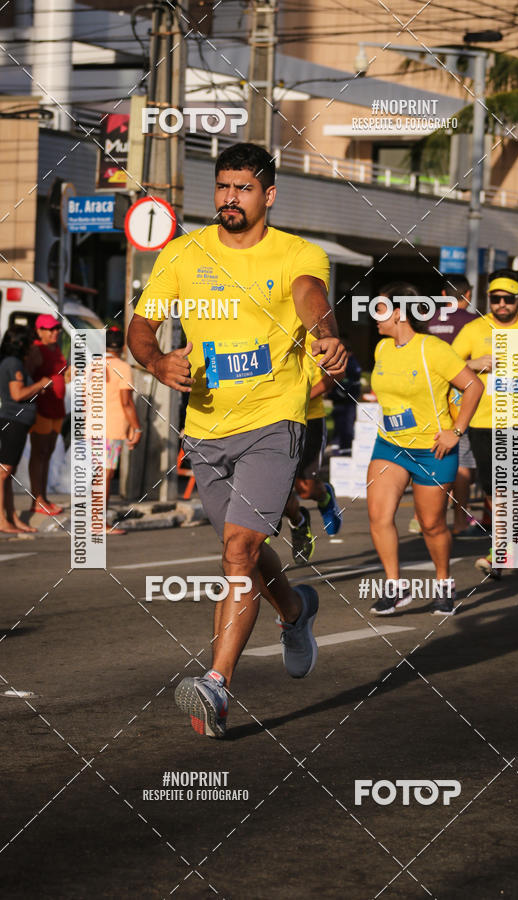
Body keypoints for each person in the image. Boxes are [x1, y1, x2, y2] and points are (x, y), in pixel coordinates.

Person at [127, 142, 347, 739]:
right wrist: (156, 363)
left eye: (243, 188)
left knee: (238, 551)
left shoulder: (298, 253)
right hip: (204, 427)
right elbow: (140, 326)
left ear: (268, 195)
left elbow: (311, 300)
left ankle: (216, 686)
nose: (229, 197)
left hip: (275, 421)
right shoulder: (184, 253)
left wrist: (324, 335)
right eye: (222, 186)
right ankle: (295, 611)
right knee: (241, 552)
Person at [367, 282, 483, 616]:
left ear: (400, 312)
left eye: (380, 308)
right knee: (379, 516)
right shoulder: (382, 349)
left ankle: (444, 584)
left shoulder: (432, 348)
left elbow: (472, 386)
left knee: (432, 524)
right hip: (390, 445)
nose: (375, 315)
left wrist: (455, 431)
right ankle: (395, 587)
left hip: (432, 449)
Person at [452, 268, 518, 579]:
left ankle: (501, 551)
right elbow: (447, 363)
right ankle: (508, 545)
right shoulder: (474, 329)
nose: (501, 304)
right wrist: (473, 363)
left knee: (508, 485)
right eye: (495, 299)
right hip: (483, 420)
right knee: (492, 486)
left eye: (508, 299)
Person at [429, 276, 481, 537]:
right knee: (462, 459)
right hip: (460, 396)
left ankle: (423, 514)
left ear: (442, 293)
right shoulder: (474, 323)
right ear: (468, 295)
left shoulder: (428, 321)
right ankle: (460, 519)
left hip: (429, 395)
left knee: (431, 453)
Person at [285, 332, 342, 564]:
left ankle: (325, 496)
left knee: (306, 489)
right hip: (276, 420)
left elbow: (333, 377)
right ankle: (298, 522)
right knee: (274, 490)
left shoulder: (316, 335)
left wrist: (302, 397)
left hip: (311, 419)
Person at [0, 326, 52, 533]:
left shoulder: (15, 363)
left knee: (8, 473)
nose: (32, 347)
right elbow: (17, 393)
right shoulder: (13, 363)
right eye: (29, 343)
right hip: (13, 421)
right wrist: (40, 384)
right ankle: (3, 520)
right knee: (4, 473)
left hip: (18, 422)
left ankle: (12, 517)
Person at [102, 326, 143, 535]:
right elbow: (126, 402)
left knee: (96, 475)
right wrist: (136, 428)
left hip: (91, 426)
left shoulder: (92, 365)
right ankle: (99, 523)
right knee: (106, 476)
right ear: (123, 346)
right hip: (112, 428)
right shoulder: (122, 367)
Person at [29, 314, 67, 516]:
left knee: (48, 454)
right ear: (39, 330)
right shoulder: (36, 350)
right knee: (39, 454)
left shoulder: (56, 348)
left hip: (57, 409)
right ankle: (37, 499)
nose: (55, 332)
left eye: (56, 329)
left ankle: (43, 496)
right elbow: (27, 376)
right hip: (42, 409)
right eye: (50, 329)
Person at [330, 337, 362, 451]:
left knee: (347, 422)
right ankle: (337, 441)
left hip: (348, 399)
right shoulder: (346, 362)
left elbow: (350, 383)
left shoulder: (352, 364)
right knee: (338, 420)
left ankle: (346, 446)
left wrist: (339, 393)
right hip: (340, 399)